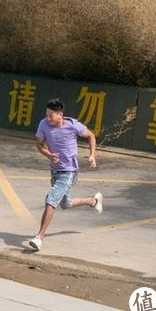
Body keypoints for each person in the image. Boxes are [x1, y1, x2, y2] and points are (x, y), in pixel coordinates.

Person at [27, 98, 103, 252]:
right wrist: (48, 155)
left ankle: (39, 237)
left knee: (51, 200)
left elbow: (91, 136)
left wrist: (92, 155)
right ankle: (93, 200)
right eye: (46, 115)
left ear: (60, 115)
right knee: (65, 204)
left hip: (69, 172)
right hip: (54, 171)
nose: (48, 118)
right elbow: (39, 145)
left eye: (51, 116)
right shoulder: (44, 124)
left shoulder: (73, 125)